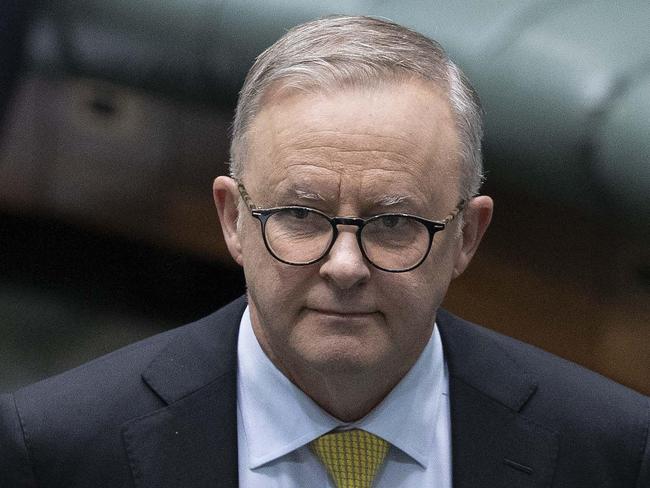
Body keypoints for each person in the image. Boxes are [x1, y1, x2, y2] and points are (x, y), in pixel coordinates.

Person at [1, 15, 648, 488]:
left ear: (466, 237)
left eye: (394, 222)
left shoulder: (613, 449)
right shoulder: (54, 450)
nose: (344, 267)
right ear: (233, 219)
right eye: (301, 216)